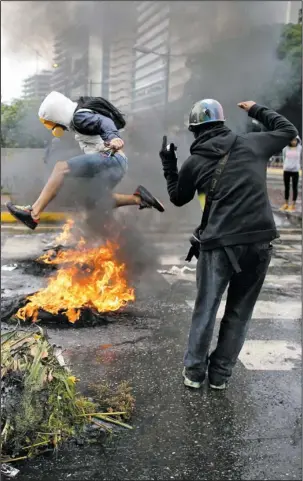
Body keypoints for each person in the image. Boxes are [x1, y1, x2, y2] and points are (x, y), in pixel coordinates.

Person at [160, 99, 298, 390]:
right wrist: (256, 109)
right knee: (239, 312)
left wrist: (168, 164)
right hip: (259, 242)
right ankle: (221, 375)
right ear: (222, 124)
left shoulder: (194, 162)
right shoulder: (253, 144)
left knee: (206, 309)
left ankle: (195, 373)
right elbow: (288, 131)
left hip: (219, 244)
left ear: (195, 131)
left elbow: (177, 197)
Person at [6, 91, 164, 230]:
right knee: (94, 200)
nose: (52, 126)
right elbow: (62, 142)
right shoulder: (75, 123)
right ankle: (139, 199)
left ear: (56, 113)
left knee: (61, 168)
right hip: (113, 165)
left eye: (49, 121)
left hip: (110, 159)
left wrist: (114, 138)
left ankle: (33, 213)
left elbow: (104, 122)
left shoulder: (79, 117)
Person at [280, 136, 301, 212]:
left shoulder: (300, 148)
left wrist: (299, 166)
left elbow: (301, 158)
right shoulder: (285, 148)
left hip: (295, 171)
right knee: (287, 188)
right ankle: (286, 204)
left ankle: (293, 205)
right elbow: (284, 157)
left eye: (295, 140)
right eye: (292, 140)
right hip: (287, 170)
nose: (294, 142)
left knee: (295, 188)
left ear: (297, 140)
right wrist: (285, 166)